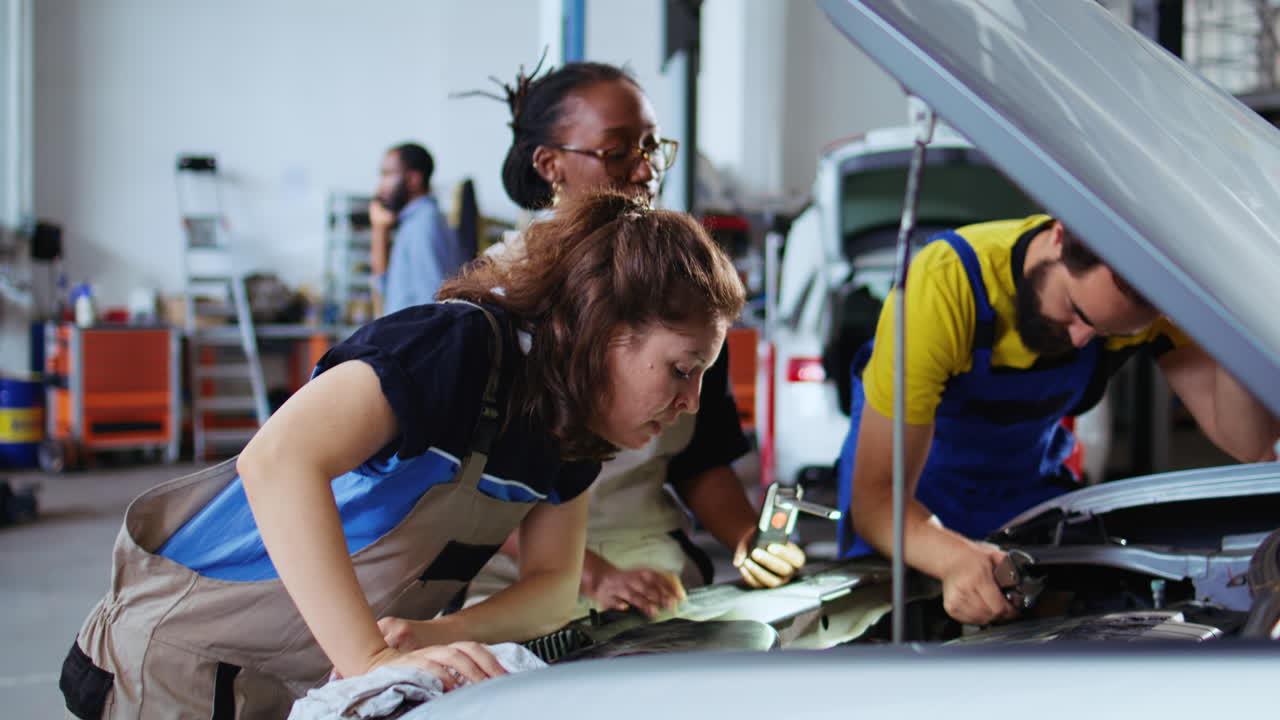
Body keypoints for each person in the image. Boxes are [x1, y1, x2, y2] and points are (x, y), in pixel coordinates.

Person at [59, 190, 746, 720]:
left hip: (305, 673)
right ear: (605, 327)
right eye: (682, 369)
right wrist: (369, 657)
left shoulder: (570, 436)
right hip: (179, 656)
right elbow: (277, 462)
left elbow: (551, 590)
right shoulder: (453, 350)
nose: (689, 403)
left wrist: (426, 636)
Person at [462, 60, 806, 620]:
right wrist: (593, 575)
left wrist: (750, 541)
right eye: (617, 151)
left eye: (651, 147)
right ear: (549, 164)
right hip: (515, 567)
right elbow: (459, 491)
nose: (645, 170)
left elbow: (699, 456)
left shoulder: (684, 290)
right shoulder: (496, 306)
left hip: (647, 557)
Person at [835, 215, 1280, 626]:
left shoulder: (1150, 307)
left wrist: (1231, 325)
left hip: (1025, 502)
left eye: (1109, 333)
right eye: (1075, 310)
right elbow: (876, 500)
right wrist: (951, 556)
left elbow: (1250, 444)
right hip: (912, 514)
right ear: (1060, 235)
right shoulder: (946, 284)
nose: (1080, 339)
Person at [369, 142, 466, 316]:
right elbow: (386, 286)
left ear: (413, 180)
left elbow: (431, 306)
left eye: (388, 175)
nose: (380, 186)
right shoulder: (413, 222)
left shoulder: (423, 224)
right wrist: (379, 229)